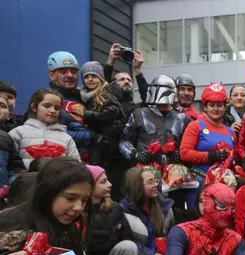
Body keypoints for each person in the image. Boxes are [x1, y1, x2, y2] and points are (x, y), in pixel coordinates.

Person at [86, 165, 155, 255]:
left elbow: (128, 237)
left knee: (129, 247)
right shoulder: (80, 213)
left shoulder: (114, 208)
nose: (110, 185)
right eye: (103, 182)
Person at [79, 61, 128, 199]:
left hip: (108, 146)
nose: (90, 79)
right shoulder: (84, 96)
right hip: (98, 144)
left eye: (94, 76)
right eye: (87, 76)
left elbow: (110, 113)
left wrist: (85, 114)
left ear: (101, 78)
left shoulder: (106, 94)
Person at [120, 75, 191, 168]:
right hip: (145, 171)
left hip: (174, 172)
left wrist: (182, 156)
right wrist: (136, 154)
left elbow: (191, 147)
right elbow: (123, 142)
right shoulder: (139, 114)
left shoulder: (183, 118)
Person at [120, 167, 175, 255]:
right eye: (150, 182)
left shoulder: (164, 206)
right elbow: (127, 241)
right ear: (137, 186)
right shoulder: (123, 210)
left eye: (155, 181)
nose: (155, 185)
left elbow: (172, 235)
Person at [10, 88, 80, 167]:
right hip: (26, 178)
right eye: (47, 106)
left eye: (57, 108)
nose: (53, 110)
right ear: (34, 107)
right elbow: (9, 164)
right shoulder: (18, 132)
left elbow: (76, 167)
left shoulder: (67, 138)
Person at [179, 83, 233, 183]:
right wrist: (210, 156)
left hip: (224, 183)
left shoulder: (230, 131)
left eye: (220, 105)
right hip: (199, 183)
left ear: (224, 107)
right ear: (205, 107)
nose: (216, 109)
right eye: (212, 105)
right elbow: (184, 154)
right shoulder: (195, 126)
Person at [47, 51, 93, 161]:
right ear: (52, 75)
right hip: (65, 162)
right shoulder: (45, 99)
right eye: (63, 72)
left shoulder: (86, 99)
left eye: (73, 71)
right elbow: (49, 133)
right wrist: (91, 136)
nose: (70, 75)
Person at [105, 42, 149, 116]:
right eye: (122, 79)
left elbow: (147, 97)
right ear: (113, 84)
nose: (126, 82)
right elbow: (104, 83)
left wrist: (137, 69)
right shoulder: (107, 105)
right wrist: (110, 60)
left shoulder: (136, 109)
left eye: (129, 80)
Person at [0, 95, 24, 196]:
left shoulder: (6, 138)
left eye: (2, 106)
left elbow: (15, 169)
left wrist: (9, 187)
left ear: (9, 115)